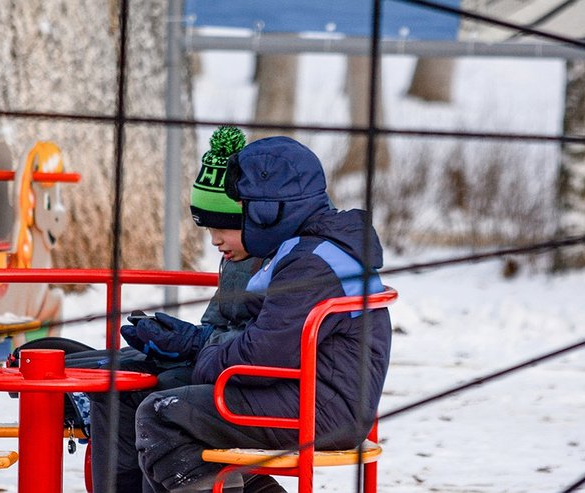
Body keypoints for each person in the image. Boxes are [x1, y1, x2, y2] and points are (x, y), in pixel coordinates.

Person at [130, 136, 392, 492]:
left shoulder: (311, 263)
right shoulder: (312, 249)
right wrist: (197, 347)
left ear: (272, 209)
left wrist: (200, 354)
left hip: (323, 411)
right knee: (176, 402)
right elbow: (268, 340)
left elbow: (263, 355)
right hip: (314, 396)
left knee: (164, 414)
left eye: (246, 206)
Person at [90, 127, 284, 492]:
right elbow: (217, 325)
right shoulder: (238, 261)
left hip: (258, 388)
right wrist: (177, 341)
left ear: (255, 218)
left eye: (225, 227)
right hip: (232, 375)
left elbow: (268, 341)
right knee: (119, 382)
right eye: (208, 228)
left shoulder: (279, 262)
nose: (215, 240)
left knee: (159, 400)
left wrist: (194, 343)